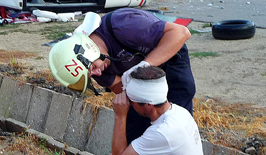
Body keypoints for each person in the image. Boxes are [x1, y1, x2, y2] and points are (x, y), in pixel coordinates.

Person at [49, 8, 195, 144]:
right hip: (138, 71)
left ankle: (179, 148)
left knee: (177, 103)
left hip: (168, 51)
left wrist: (145, 65)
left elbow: (181, 33)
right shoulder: (96, 67)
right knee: (136, 119)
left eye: (93, 68)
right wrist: (130, 98)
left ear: (87, 49)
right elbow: (119, 87)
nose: (98, 74)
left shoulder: (123, 25)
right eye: (91, 74)